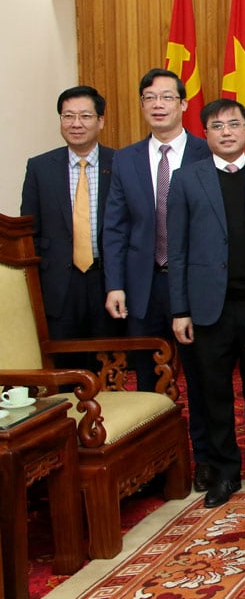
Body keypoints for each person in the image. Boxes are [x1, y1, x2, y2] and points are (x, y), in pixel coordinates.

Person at [103, 67, 216, 493]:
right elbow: (114, 227)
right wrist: (115, 284)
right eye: (149, 97)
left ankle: (204, 458)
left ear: (184, 104)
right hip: (142, 284)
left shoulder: (206, 153)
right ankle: (152, 465)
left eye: (166, 97)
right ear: (142, 105)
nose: (157, 105)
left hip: (191, 284)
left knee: (200, 376)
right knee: (146, 378)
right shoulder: (126, 158)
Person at [167, 98, 245, 508]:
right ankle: (225, 472)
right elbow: (176, 250)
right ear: (205, 134)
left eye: (234, 124)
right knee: (214, 392)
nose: (227, 131)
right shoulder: (185, 179)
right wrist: (180, 309)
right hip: (207, 308)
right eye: (217, 126)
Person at [21, 86, 120, 370]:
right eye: (68, 116)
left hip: (107, 281)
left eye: (85, 116)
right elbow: (31, 231)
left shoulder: (123, 163)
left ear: (100, 120)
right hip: (59, 286)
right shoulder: (40, 168)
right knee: (63, 370)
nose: (76, 124)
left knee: (108, 370)